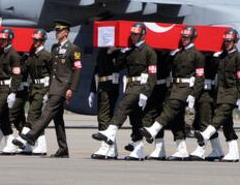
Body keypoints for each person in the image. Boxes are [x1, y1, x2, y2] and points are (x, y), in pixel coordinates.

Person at [92, 23, 157, 161]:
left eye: (136, 34)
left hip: (141, 86)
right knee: (135, 119)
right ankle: (138, 150)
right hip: (130, 85)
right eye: (132, 34)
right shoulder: (130, 51)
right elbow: (118, 66)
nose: (133, 37)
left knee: (123, 106)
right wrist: (121, 52)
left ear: (142, 35)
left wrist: (146, 93)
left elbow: (152, 75)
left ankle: (110, 132)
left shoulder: (149, 51)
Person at [18, 20, 82, 158]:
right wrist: (49, 88)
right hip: (54, 86)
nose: (57, 33)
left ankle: (32, 135)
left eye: (59, 31)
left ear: (66, 32)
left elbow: (77, 70)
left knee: (47, 111)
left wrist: (72, 89)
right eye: (56, 31)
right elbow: (52, 70)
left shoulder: (73, 49)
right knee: (58, 119)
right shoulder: (55, 48)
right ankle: (63, 149)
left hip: (63, 87)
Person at [140, 25, 205, 161]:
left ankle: (153, 129)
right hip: (174, 87)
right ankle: (182, 150)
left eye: (187, 37)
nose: (184, 39)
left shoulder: (197, 55)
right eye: (183, 37)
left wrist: (194, 94)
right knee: (176, 120)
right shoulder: (178, 53)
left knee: (171, 108)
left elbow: (200, 77)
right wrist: (170, 54)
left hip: (186, 88)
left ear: (192, 38)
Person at [194, 28, 240, 162]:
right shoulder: (221, 57)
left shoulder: (238, 57)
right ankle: (234, 152)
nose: (227, 43)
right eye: (225, 41)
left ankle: (206, 134)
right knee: (227, 123)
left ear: (235, 41)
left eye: (230, 41)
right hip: (220, 92)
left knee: (219, 115)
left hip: (232, 92)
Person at [12, 28, 52, 155]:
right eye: (34, 40)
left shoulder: (46, 55)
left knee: (32, 113)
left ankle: (23, 138)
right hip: (33, 88)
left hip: (43, 89)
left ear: (43, 41)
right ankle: (40, 146)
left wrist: (49, 92)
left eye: (38, 40)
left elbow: (54, 75)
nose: (35, 42)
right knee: (36, 118)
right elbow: (24, 70)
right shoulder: (31, 56)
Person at [89, 47, 120, 160]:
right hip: (102, 86)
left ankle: (105, 147)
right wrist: (92, 90)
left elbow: (119, 66)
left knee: (104, 117)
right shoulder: (102, 51)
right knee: (107, 118)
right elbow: (96, 71)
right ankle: (112, 149)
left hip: (110, 86)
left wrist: (114, 53)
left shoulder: (117, 52)